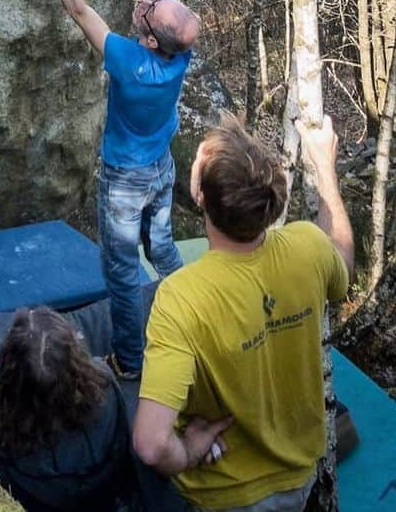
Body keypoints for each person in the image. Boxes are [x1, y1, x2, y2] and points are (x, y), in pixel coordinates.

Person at [21, 0, 200, 381]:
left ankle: (131, 360)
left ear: (148, 37)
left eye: (148, 10)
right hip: (160, 169)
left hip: (125, 179)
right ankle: (187, 312)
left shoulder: (128, 61)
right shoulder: (178, 51)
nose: (148, 0)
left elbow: (78, 8)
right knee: (162, 246)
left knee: (122, 272)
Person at [133, 113, 353, 512]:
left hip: (224, 495)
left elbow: (151, 444)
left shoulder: (181, 298)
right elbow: (341, 261)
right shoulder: (307, 247)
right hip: (298, 480)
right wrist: (325, 170)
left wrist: (185, 450)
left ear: (200, 197)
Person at [0, 305, 134, 511]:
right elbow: (123, 449)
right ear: (75, 361)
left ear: (10, 377)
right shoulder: (106, 385)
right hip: (105, 500)